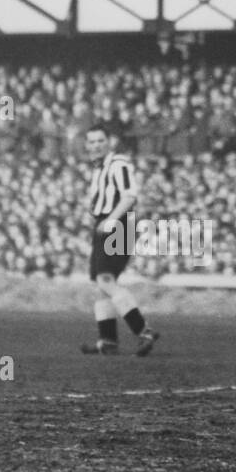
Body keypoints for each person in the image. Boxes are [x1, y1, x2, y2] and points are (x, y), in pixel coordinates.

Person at [80, 123, 159, 357]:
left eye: (100, 141)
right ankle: (108, 341)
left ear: (109, 142)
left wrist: (112, 220)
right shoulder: (97, 169)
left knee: (105, 280)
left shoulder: (118, 164)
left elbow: (130, 196)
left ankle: (143, 331)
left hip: (119, 224)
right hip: (106, 224)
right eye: (92, 142)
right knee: (102, 285)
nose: (96, 146)